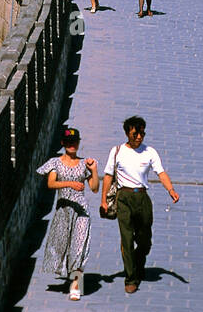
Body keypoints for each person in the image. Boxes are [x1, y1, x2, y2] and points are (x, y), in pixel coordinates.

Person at [100, 116, 179, 294]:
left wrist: (171, 190)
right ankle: (131, 277)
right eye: (135, 133)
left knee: (145, 240)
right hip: (123, 198)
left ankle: (137, 260)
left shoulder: (150, 152)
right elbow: (107, 176)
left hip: (142, 198)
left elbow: (161, 172)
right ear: (128, 133)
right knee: (127, 239)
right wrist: (104, 200)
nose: (139, 137)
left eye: (142, 133)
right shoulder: (117, 151)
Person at [36, 126, 99, 300]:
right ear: (63, 143)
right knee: (61, 245)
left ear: (78, 143)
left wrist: (93, 170)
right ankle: (68, 276)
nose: (72, 145)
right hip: (63, 211)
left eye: (75, 142)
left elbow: (94, 188)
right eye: (69, 142)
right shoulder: (55, 162)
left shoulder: (84, 163)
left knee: (79, 247)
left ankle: (75, 286)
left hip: (81, 212)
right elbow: (51, 183)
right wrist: (70, 184)